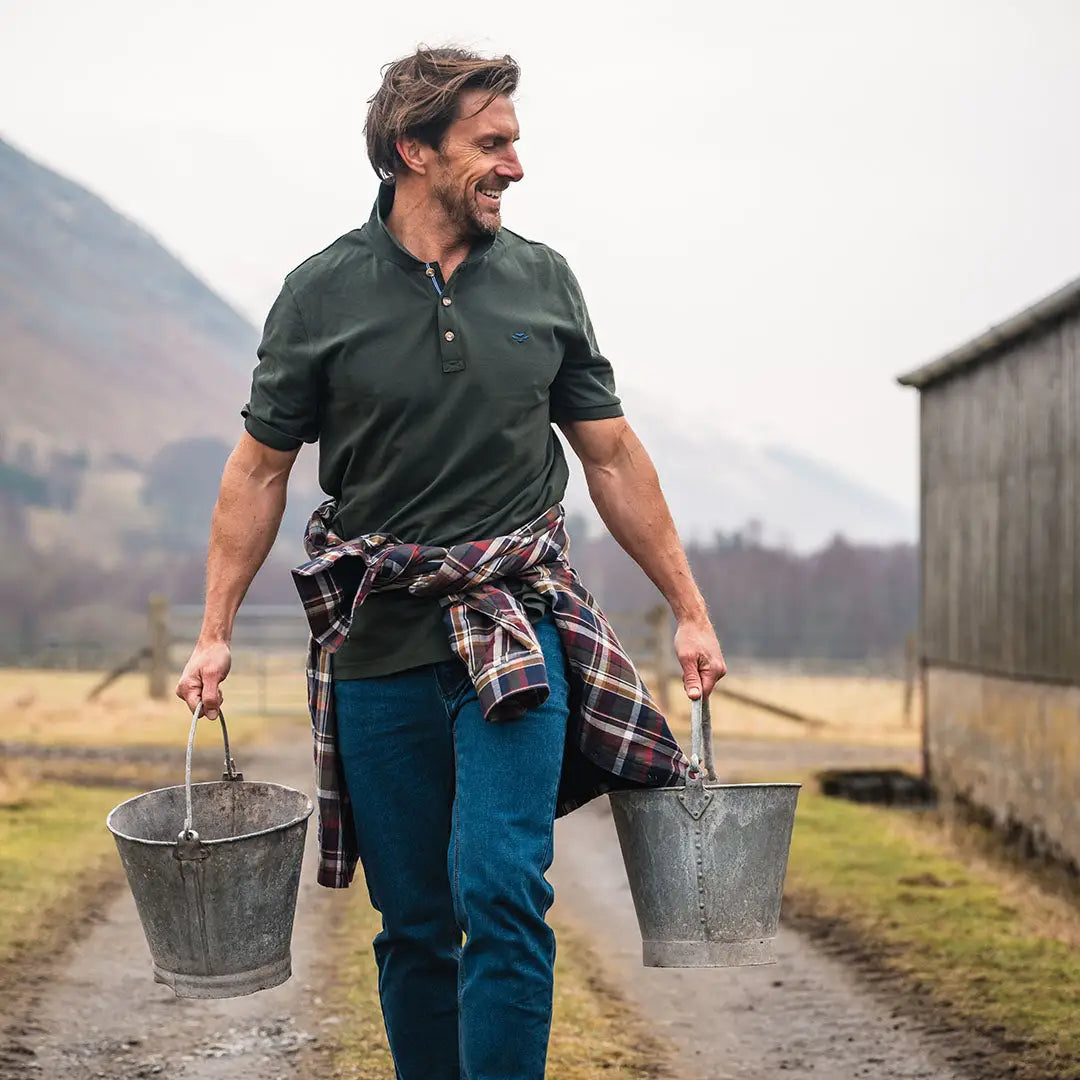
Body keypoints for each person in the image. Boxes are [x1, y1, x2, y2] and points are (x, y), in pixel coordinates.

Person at [177, 46, 726, 1080]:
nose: (514, 165)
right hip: (379, 643)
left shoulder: (544, 280)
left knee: (502, 888)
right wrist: (212, 634)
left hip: (516, 632)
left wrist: (689, 608)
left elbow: (608, 453)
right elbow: (258, 474)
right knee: (416, 918)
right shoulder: (322, 293)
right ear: (412, 150)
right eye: (492, 144)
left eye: (513, 142)